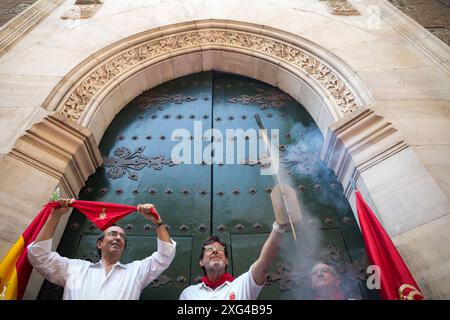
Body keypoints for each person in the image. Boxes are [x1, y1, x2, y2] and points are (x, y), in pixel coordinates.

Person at [27, 199, 176, 300]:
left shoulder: (135, 272)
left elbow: (165, 255)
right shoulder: (74, 268)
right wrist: (55, 216)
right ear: (99, 244)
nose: (118, 237)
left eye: (122, 237)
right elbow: (38, 255)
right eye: (113, 234)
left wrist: (158, 223)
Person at [179, 221, 289, 300]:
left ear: (226, 260)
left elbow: (264, 262)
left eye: (220, 249)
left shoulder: (242, 285)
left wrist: (278, 226)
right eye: (209, 249)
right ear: (201, 262)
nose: (215, 251)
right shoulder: (188, 294)